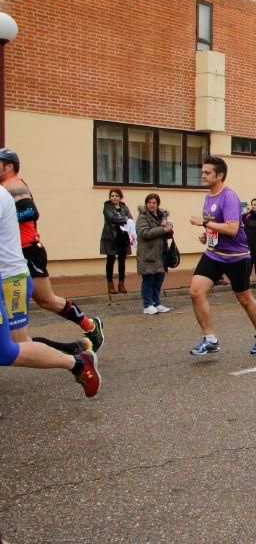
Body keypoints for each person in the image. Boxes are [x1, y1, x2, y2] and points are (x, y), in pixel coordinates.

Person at [0, 184, 100, 397]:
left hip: (13, 275)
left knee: (17, 343)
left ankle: (80, 350)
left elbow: (31, 211)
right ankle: (76, 349)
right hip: (14, 270)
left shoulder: (14, 186)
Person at [0, 149, 105, 352]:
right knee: (43, 301)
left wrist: (6, 219)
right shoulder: (5, 187)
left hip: (27, 251)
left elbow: (31, 211)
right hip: (17, 253)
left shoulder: (14, 184)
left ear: (9, 166)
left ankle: (89, 329)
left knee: (46, 300)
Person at [188, 156, 256, 355]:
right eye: (202, 172)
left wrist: (204, 223)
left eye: (207, 173)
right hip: (215, 254)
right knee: (195, 292)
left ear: (220, 175)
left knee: (243, 298)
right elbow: (217, 225)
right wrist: (207, 235)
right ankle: (210, 340)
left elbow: (233, 228)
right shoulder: (209, 197)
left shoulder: (229, 197)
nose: (203, 175)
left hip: (237, 256)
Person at [136, 193, 174, 315]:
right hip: (148, 254)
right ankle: (147, 305)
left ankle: (157, 303)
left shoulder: (161, 216)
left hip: (160, 253)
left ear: (158, 204)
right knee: (148, 281)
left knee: (158, 280)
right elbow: (144, 233)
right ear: (146, 203)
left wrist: (169, 230)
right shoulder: (142, 217)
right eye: (149, 202)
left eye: (154, 203)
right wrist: (163, 229)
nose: (152, 205)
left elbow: (165, 234)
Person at [100, 188, 133, 294]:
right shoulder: (107, 207)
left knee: (122, 261)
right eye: (112, 196)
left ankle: (121, 284)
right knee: (110, 261)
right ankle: (110, 285)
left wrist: (124, 219)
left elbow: (130, 219)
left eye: (116, 196)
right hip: (110, 237)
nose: (114, 197)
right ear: (110, 197)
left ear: (120, 197)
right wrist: (124, 219)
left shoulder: (124, 207)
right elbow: (111, 218)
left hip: (122, 237)